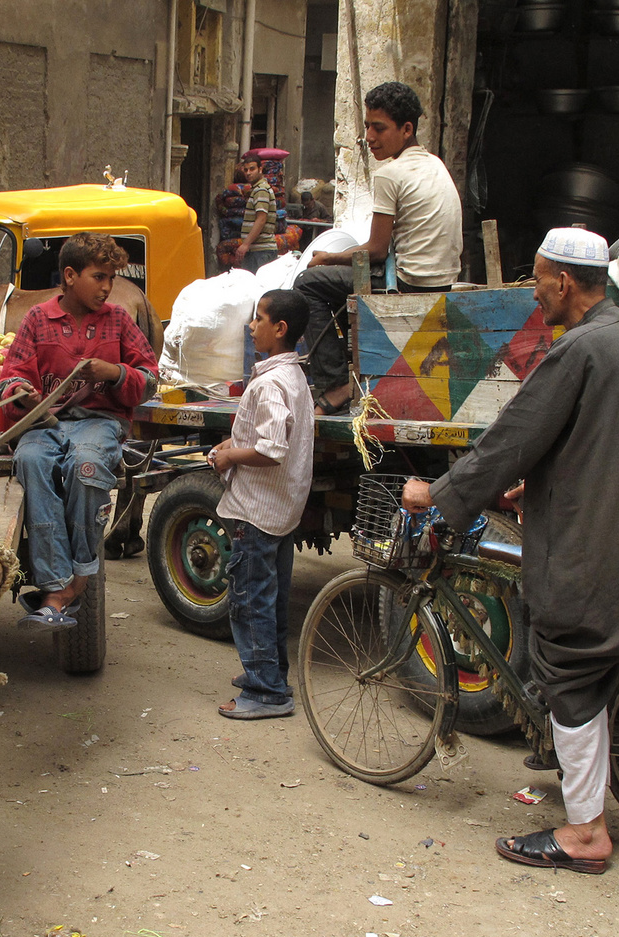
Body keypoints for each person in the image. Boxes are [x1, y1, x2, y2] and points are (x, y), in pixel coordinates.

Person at [401, 228, 619, 875]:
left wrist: (442, 491)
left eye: (537, 280)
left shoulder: (579, 350)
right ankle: (579, 772)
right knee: (583, 661)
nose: (535, 293)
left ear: (563, 281)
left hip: (611, 547)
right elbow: (600, 435)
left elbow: (510, 437)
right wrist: (537, 480)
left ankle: (585, 833)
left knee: (565, 660)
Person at [0, 232, 158, 628]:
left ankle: (76, 579)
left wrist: (115, 372)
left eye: (111, 278)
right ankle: (57, 583)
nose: (107, 287)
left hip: (101, 421)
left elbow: (151, 378)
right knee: (30, 459)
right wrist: (20, 391)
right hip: (46, 425)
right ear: (70, 275)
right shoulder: (37, 318)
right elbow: (11, 376)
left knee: (86, 466)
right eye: (99, 277)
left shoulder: (119, 320)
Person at [295, 81, 462, 415]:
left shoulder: (391, 173)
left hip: (407, 283)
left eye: (379, 128)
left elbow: (375, 251)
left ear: (407, 129)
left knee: (307, 284)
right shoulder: (434, 164)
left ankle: (336, 385)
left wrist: (327, 257)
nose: (369, 136)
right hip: (440, 282)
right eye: (368, 126)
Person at [210, 290, 314, 720]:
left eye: (258, 319)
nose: (252, 326)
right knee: (270, 598)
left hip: (257, 510)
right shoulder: (291, 377)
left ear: (279, 329)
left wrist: (232, 455)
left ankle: (266, 692)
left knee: (250, 599)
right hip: (280, 509)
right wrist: (232, 443)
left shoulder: (270, 383)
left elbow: (270, 448)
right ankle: (271, 673)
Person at [235, 151, 279, 274]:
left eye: (252, 169)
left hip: (261, 251)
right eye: (246, 170)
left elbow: (261, 219)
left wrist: (245, 244)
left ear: (260, 169)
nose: (248, 173)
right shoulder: (256, 190)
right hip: (257, 251)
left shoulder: (261, 190)